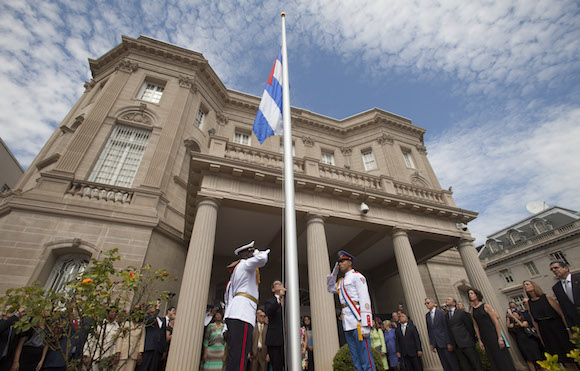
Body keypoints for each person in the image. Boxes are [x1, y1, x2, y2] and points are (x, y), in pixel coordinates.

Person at [224, 241, 269, 371]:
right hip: (242, 314)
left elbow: (229, 299)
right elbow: (262, 258)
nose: (252, 256)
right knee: (240, 355)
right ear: (246, 255)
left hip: (237, 312)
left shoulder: (239, 270)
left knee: (235, 356)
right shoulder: (244, 265)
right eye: (250, 253)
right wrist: (257, 252)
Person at [327, 250, 376, 371]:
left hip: (358, 321)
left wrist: (366, 323)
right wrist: (335, 271)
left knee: (365, 357)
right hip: (347, 322)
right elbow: (329, 287)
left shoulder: (358, 277)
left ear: (350, 262)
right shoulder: (341, 282)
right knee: (355, 358)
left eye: (342, 261)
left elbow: (365, 299)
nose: (340, 264)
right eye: (339, 262)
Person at [524, 280, 575, 370]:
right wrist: (540, 336)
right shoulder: (529, 303)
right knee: (559, 356)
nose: (525, 286)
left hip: (556, 326)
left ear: (533, 285)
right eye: (524, 285)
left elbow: (561, 314)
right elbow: (534, 320)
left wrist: (568, 329)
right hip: (544, 329)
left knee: (569, 354)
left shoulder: (546, 297)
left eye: (527, 284)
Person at [468, 288, 515, 371]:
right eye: (469, 294)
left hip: (493, 333)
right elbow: (475, 326)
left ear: (476, 294)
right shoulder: (472, 310)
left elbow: (496, 322)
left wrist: (500, 337)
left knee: (502, 357)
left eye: (471, 293)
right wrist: (480, 340)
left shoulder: (486, 306)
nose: (470, 295)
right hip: (484, 336)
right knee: (492, 358)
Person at [444, 297, 482, 371]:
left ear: (454, 303)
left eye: (449, 299)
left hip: (467, 342)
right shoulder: (446, 315)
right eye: (446, 299)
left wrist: (470, 339)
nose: (447, 300)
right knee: (465, 365)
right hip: (457, 345)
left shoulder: (461, 313)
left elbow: (469, 326)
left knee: (475, 362)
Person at [424, 298, 459, 371]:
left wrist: (449, 342)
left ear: (433, 303)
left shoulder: (441, 313)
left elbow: (446, 328)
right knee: (444, 363)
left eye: (428, 303)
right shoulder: (427, 315)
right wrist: (432, 343)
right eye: (425, 304)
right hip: (437, 343)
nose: (427, 305)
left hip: (445, 341)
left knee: (452, 362)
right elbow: (430, 330)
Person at [550, 260, 580, 329]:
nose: (554, 270)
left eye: (556, 268)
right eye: (552, 269)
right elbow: (563, 308)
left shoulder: (578, 279)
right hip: (575, 322)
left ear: (566, 268)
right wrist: (569, 327)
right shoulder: (556, 288)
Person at [264, 280, 286, 371]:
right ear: (273, 289)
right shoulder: (269, 301)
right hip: (275, 339)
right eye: (277, 284)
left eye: (281, 283)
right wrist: (279, 298)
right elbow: (269, 312)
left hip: (288, 339)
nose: (280, 284)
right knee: (277, 366)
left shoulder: (288, 300)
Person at [116, 306, 145, 371]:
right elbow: (120, 338)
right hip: (123, 352)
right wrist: (118, 351)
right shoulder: (126, 324)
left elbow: (142, 340)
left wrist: (140, 353)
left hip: (134, 353)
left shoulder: (141, 326)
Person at [140, 300, 166, 371]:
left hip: (158, 349)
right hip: (149, 347)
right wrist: (157, 310)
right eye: (153, 307)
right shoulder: (146, 318)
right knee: (144, 367)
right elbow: (150, 320)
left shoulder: (162, 320)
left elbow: (163, 334)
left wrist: (164, 349)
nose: (154, 308)